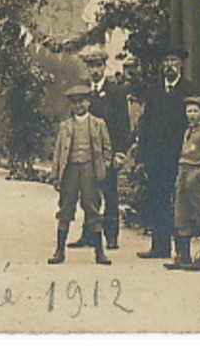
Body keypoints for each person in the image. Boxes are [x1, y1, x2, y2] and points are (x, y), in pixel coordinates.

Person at [132, 47, 200, 259]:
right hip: (156, 157)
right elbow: (145, 123)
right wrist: (141, 155)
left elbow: (196, 125)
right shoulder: (154, 91)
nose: (170, 65)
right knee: (158, 199)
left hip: (181, 157)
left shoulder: (190, 90)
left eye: (174, 61)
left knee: (181, 202)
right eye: (166, 61)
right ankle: (160, 246)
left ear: (181, 64)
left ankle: (182, 250)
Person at [71, 46, 131, 250]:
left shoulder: (116, 92)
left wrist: (120, 152)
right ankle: (88, 234)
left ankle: (111, 235)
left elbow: (123, 124)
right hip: (87, 152)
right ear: (87, 69)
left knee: (110, 194)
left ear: (104, 67)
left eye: (98, 66)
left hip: (108, 153)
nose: (95, 70)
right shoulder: (82, 91)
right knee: (88, 194)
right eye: (91, 66)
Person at [49, 84, 114, 266]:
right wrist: (56, 175)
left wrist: (104, 167)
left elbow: (107, 149)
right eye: (74, 103)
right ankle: (59, 250)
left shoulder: (98, 124)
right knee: (65, 208)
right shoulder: (65, 126)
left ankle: (99, 252)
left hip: (90, 170)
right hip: (70, 170)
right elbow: (58, 152)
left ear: (89, 102)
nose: (78, 106)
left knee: (93, 207)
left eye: (82, 102)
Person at [165, 93, 200, 272]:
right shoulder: (188, 131)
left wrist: (198, 174)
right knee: (181, 215)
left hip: (198, 178)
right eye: (189, 111)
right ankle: (184, 256)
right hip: (183, 174)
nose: (192, 115)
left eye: (195, 111)